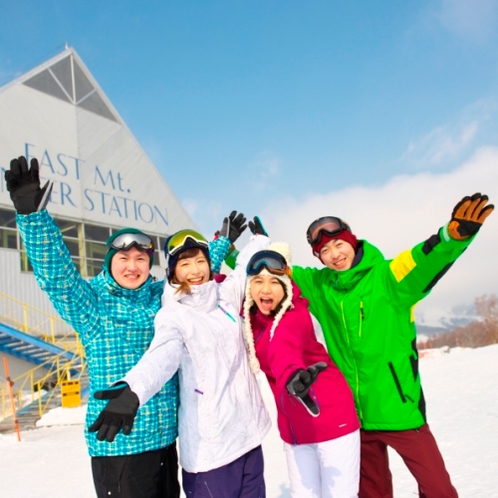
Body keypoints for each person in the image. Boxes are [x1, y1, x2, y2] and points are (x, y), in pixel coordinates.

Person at [4, 156, 240, 498]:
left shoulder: (161, 297)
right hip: (119, 446)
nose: (133, 267)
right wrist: (32, 216)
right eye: (124, 259)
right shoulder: (91, 304)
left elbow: (194, 275)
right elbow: (55, 274)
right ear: (108, 263)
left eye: (141, 259)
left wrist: (221, 244)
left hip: (164, 441)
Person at [287, 193, 494, 498]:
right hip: (355, 416)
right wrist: (244, 253)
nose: (334, 254)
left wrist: (451, 237)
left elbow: (424, 260)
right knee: (371, 493)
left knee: (438, 489)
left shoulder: (388, 277)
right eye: (325, 250)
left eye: (339, 244)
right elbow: (275, 272)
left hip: (399, 410)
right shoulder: (321, 288)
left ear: (353, 241)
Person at [90, 227, 272, 498]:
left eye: (200, 261)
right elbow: (162, 355)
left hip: (250, 437)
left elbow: (246, 266)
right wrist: (134, 388)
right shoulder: (173, 315)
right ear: (172, 271)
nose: (195, 270)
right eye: (185, 264)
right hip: (211, 452)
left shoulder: (225, 296)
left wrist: (259, 240)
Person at [243, 242, 360, 497]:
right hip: (294, 427)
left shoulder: (294, 315)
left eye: (275, 282)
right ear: (249, 287)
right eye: (258, 281)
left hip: (331, 417)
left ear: (285, 286)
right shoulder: (251, 320)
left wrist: (291, 375)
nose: (266, 289)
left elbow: (283, 349)